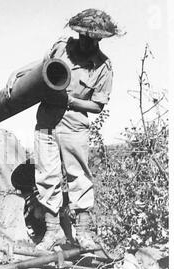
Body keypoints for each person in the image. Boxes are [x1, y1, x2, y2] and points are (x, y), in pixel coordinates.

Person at [7, 9, 123, 251]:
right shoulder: (61, 47)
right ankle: (51, 233)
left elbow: (97, 106)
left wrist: (69, 101)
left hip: (74, 125)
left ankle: (84, 233)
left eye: (94, 39)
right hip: (47, 121)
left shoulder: (103, 67)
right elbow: (42, 66)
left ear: (99, 39)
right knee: (47, 175)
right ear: (78, 33)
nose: (88, 42)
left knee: (79, 176)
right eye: (84, 36)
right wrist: (18, 73)